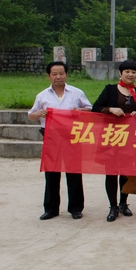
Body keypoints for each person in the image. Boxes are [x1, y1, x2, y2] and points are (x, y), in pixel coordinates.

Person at [28, 61, 92, 220]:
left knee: (74, 173)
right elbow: (31, 115)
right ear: (48, 76)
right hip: (51, 138)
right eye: (54, 74)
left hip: (72, 137)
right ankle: (51, 209)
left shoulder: (76, 93)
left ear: (66, 75)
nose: (58, 77)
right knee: (51, 173)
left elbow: (90, 108)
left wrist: (79, 110)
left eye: (61, 74)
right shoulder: (42, 96)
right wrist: (39, 113)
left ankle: (76, 208)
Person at [92, 59, 136, 222]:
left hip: (129, 138)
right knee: (111, 172)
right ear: (120, 73)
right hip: (112, 137)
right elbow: (95, 107)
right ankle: (113, 206)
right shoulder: (110, 89)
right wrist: (110, 109)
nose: (130, 74)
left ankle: (123, 203)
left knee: (126, 172)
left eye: (133, 72)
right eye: (127, 71)